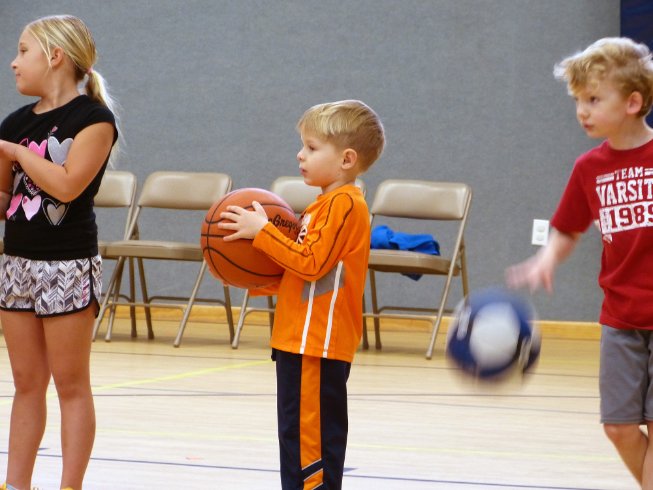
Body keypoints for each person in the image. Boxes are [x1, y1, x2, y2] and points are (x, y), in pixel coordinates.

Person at [506, 37, 653, 489]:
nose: (582, 111)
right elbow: (568, 227)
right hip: (620, 317)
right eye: (577, 101)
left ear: (633, 101)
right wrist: (546, 259)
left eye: (593, 99)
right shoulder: (590, 167)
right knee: (619, 427)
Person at [219, 99, 384, 489]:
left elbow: (310, 263)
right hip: (300, 341)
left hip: (317, 345)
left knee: (312, 452)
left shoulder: (344, 205)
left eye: (311, 148)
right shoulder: (323, 206)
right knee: (296, 446)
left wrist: (263, 231)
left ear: (346, 159)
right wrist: (249, 278)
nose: (300, 155)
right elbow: (310, 275)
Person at [0, 15, 119, 490]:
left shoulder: (94, 119)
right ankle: (15, 483)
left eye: (23, 50)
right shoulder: (14, 122)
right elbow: (5, 202)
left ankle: (70, 486)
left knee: (71, 386)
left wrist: (15, 152)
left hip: (67, 264)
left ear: (55, 57)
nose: (13, 62)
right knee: (27, 385)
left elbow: (67, 186)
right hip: (17, 263)